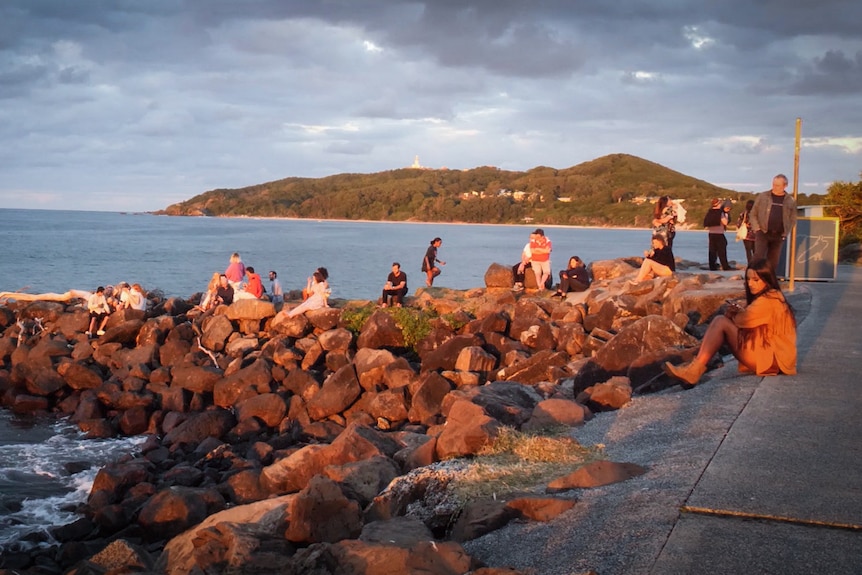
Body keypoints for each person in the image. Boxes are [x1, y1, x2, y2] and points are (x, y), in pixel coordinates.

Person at [663, 258, 797, 387]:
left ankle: (694, 370)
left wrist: (734, 314)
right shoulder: (772, 297)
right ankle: (694, 368)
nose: (750, 284)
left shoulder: (769, 300)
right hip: (773, 358)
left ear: (767, 280)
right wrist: (735, 312)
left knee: (720, 322)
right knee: (720, 321)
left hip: (772, 361)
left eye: (756, 280)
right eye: (748, 279)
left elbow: (744, 320)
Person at [749, 174, 798, 273]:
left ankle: (769, 282)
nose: (774, 187)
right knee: (758, 258)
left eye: (778, 185)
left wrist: (786, 231)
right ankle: (750, 278)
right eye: (774, 184)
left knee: (773, 261)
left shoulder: (790, 200)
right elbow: (753, 213)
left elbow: (793, 218)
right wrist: (757, 228)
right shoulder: (763, 196)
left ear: (785, 186)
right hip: (762, 232)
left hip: (779, 235)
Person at [703, 198, 732, 271]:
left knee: (712, 250)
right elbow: (725, 222)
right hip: (719, 233)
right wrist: (727, 216)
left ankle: (712, 266)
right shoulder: (720, 213)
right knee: (722, 250)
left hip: (711, 233)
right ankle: (725, 266)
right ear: (719, 204)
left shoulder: (709, 212)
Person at [737, 199, 756, 265]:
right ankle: (756, 264)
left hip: (746, 235)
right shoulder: (757, 214)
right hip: (756, 235)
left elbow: (738, 224)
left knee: (748, 251)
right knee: (756, 251)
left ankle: (750, 264)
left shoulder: (743, 214)